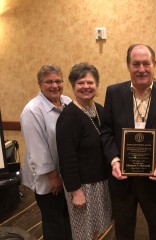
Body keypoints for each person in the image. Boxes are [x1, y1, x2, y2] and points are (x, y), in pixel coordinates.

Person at [100, 44, 156, 240]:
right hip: (122, 179)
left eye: (146, 63)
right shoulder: (114, 92)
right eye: (136, 64)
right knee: (123, 231)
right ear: (128, 66)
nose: (141, 69)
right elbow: (106, 131)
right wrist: (114, 161)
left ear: (155, 64)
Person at [56, 62, 113, 240]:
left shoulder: (100, 110)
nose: (86, 87)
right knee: (83, 233)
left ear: (97, 85)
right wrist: (75, 191)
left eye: (90, 83)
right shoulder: (69, 117)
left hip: (100, 183)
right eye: (81, 83)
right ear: (73, 86)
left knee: (98, 230)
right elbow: (67, 158)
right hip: (82, 186)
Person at [20, 64, 72, 240]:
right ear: (40, 84)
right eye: (49, 82)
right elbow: (37, 150)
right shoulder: (32, 111)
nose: (54, 86)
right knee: (54, 221)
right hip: (49, 179)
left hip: (66, 175)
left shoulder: (67, 102)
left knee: (67, 218)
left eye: (58, 81)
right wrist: (53, 177)